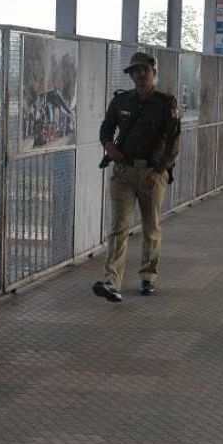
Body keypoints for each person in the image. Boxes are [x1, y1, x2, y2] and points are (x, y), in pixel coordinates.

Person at [92, 52, 182, 303]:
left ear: (153, 72)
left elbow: (173, 144)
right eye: (135, 71)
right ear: (130, 75)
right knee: (118, 227)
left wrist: (158, 171)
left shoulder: (166, 104)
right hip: (122, 171)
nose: (140, 75)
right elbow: (106, 127)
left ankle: (148, 276)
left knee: (150, 227)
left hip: (151, 173)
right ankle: (112, 281)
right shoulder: (121, 101)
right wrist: (108, 145)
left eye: (144, 70)